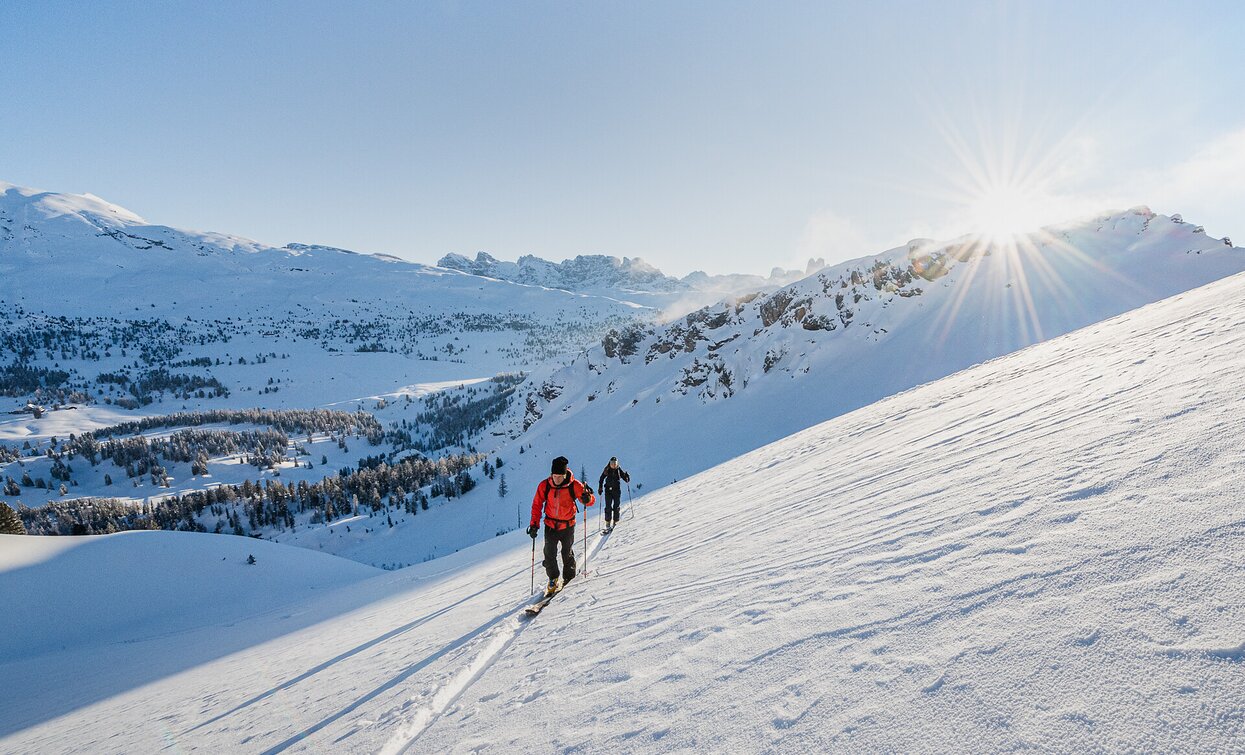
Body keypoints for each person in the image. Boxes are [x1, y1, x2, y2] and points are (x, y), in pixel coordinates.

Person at [527, 456, 594, 596]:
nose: (556, 479)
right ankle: (553, 578)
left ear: (565, 474)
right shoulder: (545, 485)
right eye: (554, 476)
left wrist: (588, 498)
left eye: (559, 476)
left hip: (568, 526)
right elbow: (537, 505)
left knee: (566, 553)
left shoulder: (574, 485)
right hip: (550, 525)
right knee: (549, 554)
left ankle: (569, 577)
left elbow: (588, 500)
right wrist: (534, 525)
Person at [597, 456, 631, 530]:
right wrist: (600, 488)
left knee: (616, 506)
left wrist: (627, 477)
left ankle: (615, 521)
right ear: (610, 463)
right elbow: (601, 478)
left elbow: (625, 479)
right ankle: (608, 522)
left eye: (615, 463)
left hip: (616, 490)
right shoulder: (607, 469)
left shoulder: (618, 469)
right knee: (608, 507)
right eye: (612, 463)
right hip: (608, 490)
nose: (613, 465)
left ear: (617, 463)